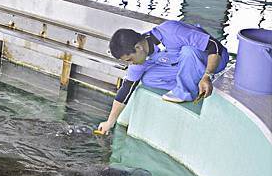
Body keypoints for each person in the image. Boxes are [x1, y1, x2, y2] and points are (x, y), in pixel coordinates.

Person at [97, 20, 229, 134]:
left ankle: (186, 92)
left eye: (130, 59)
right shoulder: (141, 56)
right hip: (181, 63)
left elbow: (215, 46)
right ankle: (192, 84)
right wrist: (110, 122)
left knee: (189, 51)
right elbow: (128, 86)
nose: (131, 64)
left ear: (138, 47)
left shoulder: (171, 31)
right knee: (147, 78)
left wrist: (207, 75)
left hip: (214, 60)